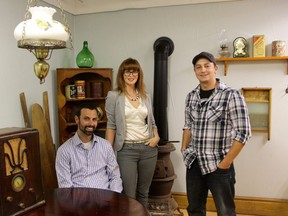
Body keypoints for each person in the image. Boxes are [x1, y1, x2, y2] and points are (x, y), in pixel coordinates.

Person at [181, 52, 251, 216]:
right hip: (194, 162)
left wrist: (226, 163)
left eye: (207, 66)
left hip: (219, 163)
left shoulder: (231, 95)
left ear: (215, 68)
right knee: (194, 209)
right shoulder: (191, 97)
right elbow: (188, 125)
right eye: (198, 67)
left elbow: (244, 132)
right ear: (195, 71)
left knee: (226, 211)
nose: (203, 70)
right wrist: (184, 148)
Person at [105, 57, 160, 207]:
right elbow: (111, 125)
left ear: (139, 74)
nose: (131, 75)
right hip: (126, 150)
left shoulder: (145, 96)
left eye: (134, 71)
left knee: (144, 193)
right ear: (122, 75)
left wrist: (156, 136)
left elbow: (152, 122)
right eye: (127, 72)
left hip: (148, 148)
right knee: (129, 194)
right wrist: (108, 152)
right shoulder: (114, 96)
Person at [55, 104, 123, 193]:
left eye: (94, 119)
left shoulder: (106, 146)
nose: (91, 124)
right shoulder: (64, 151)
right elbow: (66, 187)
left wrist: (114, 198)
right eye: (86, 119)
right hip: (79, 202)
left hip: (105, 200)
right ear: (77, 119)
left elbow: (115, 177)